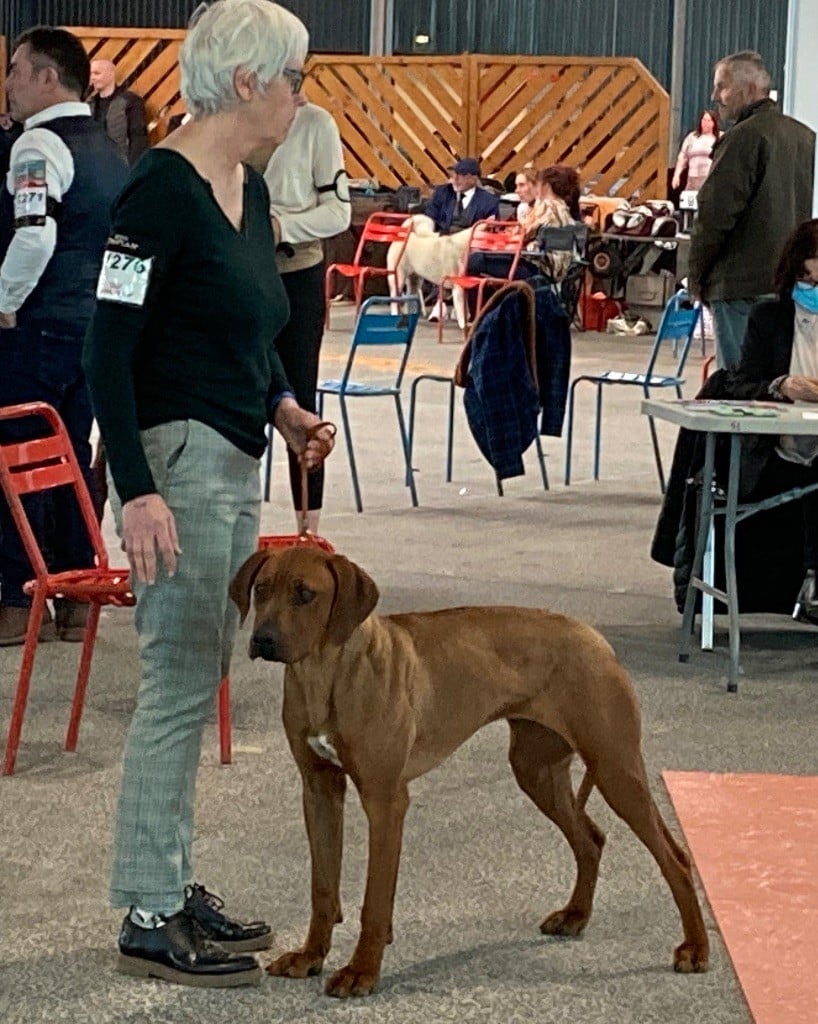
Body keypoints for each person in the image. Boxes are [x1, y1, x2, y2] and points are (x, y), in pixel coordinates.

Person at [82, 0, 334, 988]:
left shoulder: (249, 186)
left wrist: (285, 411)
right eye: (294, 79)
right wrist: (136, 492)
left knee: (197, 679)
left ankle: (171, 879)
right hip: (176, 461)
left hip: (233, 451)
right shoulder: (159, 190)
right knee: (177, 684)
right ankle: (148, 909)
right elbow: (110, 347)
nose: (299, 97)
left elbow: (249, 331)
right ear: (246, 82)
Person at [0, 27, 129, 647]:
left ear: (49, 79)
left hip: (37, 329)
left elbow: (33, 236)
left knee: (16, 462)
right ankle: (77, 599)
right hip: (92, 330)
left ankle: (15, 600)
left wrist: (3, 303)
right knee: (71, 459)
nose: (9, 82)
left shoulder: (37, 147)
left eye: (18, 70)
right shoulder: (109, 150)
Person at [688, 50, 815, 370]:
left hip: (740, 285)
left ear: (748, 89)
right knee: (774, 386)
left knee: (739, 391)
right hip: (786, 285)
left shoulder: (741, 138)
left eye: (722, 87)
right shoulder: (802, 137)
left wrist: (696, 277)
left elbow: (715, 217)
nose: (715, 96)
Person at [262, 101, 350, 533]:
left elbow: (339, 213)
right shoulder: (214, 120)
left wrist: (281, 227)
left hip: (296, 272)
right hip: (235, 272)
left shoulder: (317, 124)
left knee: (301, 401)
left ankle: (308, 533)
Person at [724, 219, 818, 623]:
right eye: (808, 278)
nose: (813, 287)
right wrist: (781, 385)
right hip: (776, 449)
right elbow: (739, 384)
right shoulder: (769, 317)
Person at [424, 157, 500, 321]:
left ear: (474, 178)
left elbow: (491, 230)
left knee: (456, 255)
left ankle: (445, 301)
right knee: (438, 250)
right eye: (454, 174)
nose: (455, 179)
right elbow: (430, 217)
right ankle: (442, 301)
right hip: (442, 241)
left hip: (470, 245)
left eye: (461, 175)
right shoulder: (443, 193)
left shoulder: (488, 201)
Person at [87, 58, 149, 165]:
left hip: (121, 165)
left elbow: (139, 138)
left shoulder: (131, 101)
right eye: (91, 74)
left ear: (111, 74)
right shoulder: (88, 104)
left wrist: (131, 170)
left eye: (97, 73)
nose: (93, 78)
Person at [671, 109, 720, 192]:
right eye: (704, 120)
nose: (706, 123)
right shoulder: (692, 137)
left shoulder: (719, 137)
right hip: (692, 180)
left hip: (709, 180)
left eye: (709, 120)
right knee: (690, 203)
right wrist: (676, 175)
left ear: (714, 123)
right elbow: (682, 157)